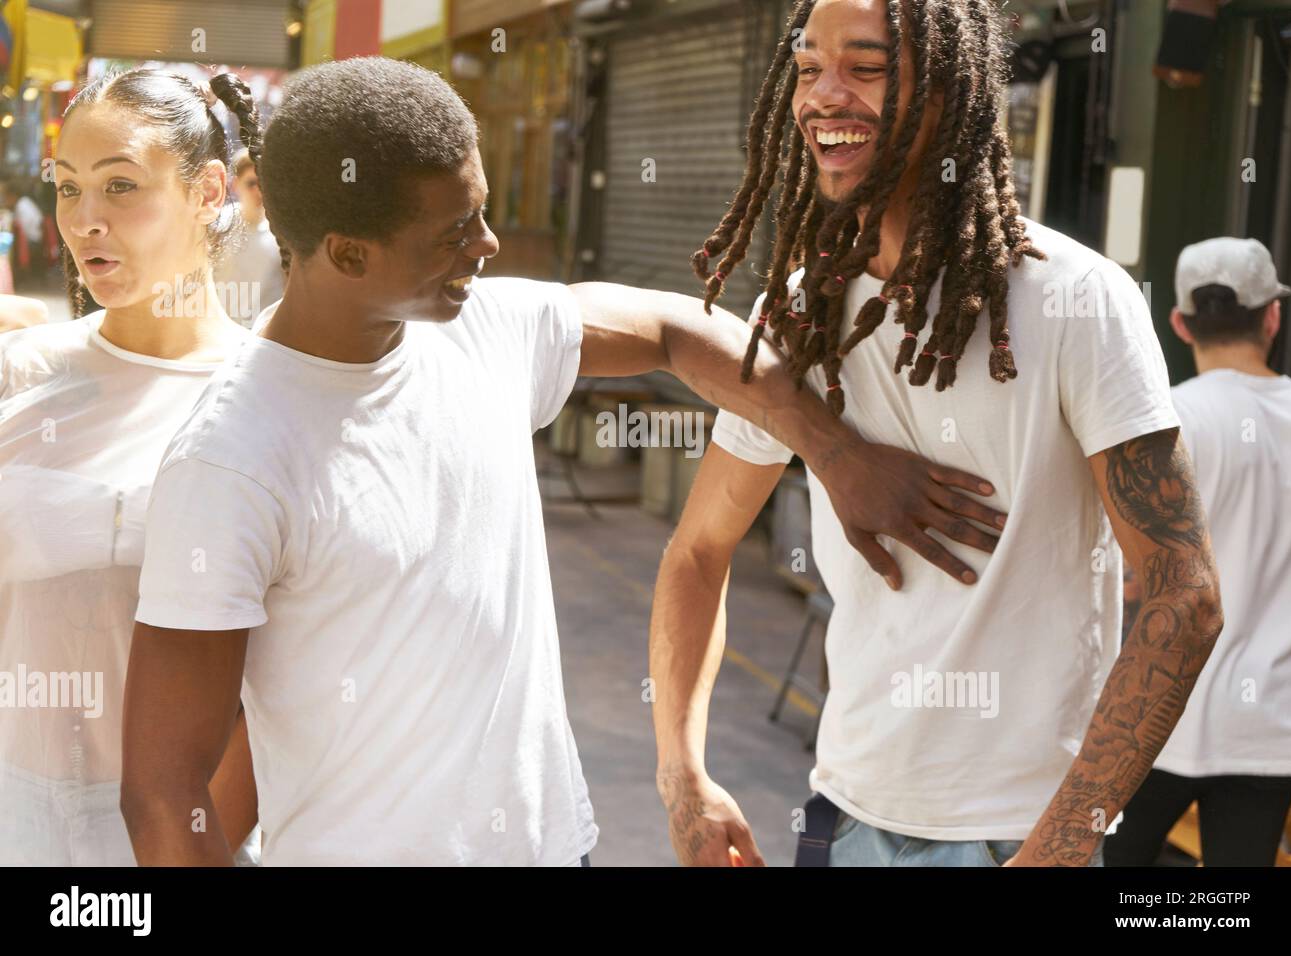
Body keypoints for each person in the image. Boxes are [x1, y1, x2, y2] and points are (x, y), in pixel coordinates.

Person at [118, 55, 1007, 867]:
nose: (488, 246)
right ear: (349, 254)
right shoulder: (230, 462)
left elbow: (675, 330)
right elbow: (163, 797)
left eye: (484, 211)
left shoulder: (486, 333)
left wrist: (836, 453)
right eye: (455, 231)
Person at [649, 0, 1223, 867]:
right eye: (807, 68)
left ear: (950, 92)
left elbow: (1183, 592)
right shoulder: (798, 313)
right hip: (840, 818)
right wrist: (682, 776)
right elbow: (698, 552)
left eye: (866, 67)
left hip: (1016, 834)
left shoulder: (1077, 300)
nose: (823, 95)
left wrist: (1065, 840)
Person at [0, 69, 262, 865]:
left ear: (208, 190)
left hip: (171, 827)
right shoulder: (22, 375)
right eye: (69, 189)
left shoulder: (265, 400)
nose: (85, 222)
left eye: (121, 187)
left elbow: (284, 685)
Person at [1105, 237, 1291, 867]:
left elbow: (1122, 578)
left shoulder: (1165, 422)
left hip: (1158, 708)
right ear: (1273, 315)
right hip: (1273, 720)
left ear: (1180, 322)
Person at [213, 149, 284, 328]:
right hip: (223, 330)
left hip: (261, 334)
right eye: (251, 183)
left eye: (264, 183)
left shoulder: (283, 232)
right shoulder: (217, 225)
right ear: (235, 185)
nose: (259, 191)